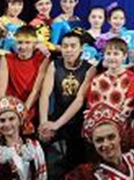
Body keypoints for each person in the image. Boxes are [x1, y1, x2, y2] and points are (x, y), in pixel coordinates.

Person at [38, 31, 96, 176]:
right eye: (65, 46)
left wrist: (57, 125)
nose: (68, 50)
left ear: (81, 48)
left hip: (77, 122)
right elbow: (45, 94)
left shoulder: (90, 69)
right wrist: (44, 123)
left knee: (75, 159)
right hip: (55, 116)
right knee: (40, 145)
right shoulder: (54, 65)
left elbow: (79, 100)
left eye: (73, 46)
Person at [0, 96, 48, 180]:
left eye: (11, 119)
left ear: (19, 121)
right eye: (2, 120)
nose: (7, 124)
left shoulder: (33, 147)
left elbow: (42, 177)